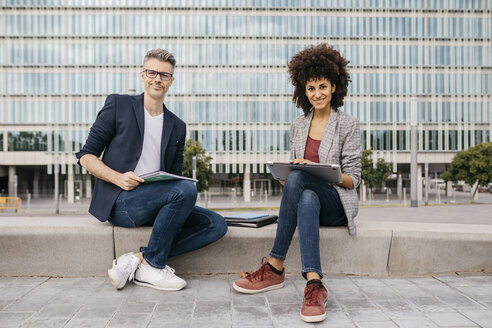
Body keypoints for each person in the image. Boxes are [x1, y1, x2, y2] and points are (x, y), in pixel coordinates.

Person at [76, 48, 227, 291]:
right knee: (186, 189)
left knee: (216, 225)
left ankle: (139, 259)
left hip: (157, 203)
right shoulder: (119, 104)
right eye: (152, 72)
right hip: (122, 202)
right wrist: (117, 177)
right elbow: (85, 156)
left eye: (164, 75)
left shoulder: (177, 126)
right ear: (142, 75)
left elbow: (174, 177)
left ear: (171, 81)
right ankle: (154, 265)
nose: (157, 78)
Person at [232, 44, 361, 323]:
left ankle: (275, 266)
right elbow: (296, 179)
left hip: (336, 204)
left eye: (323, 86)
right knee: (302, 192)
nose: (317, 94)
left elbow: (354, 179)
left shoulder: (348, 125)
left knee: (301, 177)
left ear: (335, 87)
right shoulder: (298, 125)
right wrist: (286, 178)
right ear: (303, 91)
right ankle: (314, 283)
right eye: (311, 88)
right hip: (309, 201)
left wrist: (315, 169)